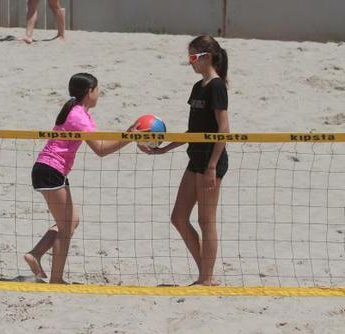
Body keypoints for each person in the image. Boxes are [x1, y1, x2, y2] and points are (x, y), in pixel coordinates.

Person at [23, 73, 136, 283]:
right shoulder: (78, 116)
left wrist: (126, 135)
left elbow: (100, 142)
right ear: (88, 92)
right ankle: (56, 279)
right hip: (50, 169)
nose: (99, 93)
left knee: (71, 221)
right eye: (97, 89)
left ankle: (35, 254)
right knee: (66, 227)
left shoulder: (78, 112)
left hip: (50, 170)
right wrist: (129, 137)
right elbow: (101, 150)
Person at [139, 35, 229, 286]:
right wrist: (165, 149)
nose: (190, 62)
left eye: (193, 57)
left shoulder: (217, 86)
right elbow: (193, 131)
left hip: (212, 162)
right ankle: (205, 274)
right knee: (179, 217)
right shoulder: (198, 87)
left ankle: (205, 279)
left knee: (206, 220)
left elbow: (223, 129)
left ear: (207, 57)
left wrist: (212, 166)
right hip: (195, 159)